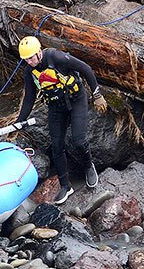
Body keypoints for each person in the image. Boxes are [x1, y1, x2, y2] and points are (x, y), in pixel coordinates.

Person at [15, 35, 108, 205]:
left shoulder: (56, 57)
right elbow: (29, 98)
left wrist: (97, 94)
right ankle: (66, 185)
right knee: (57, 145)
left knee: (79, 141)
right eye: (25, 59)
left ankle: (88, 166)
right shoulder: (29, 71)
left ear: (38, 52)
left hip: (76, 100)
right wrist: (19, 122)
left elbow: (86, 68)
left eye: (30, 57)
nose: (28, 62)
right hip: (56, 107)